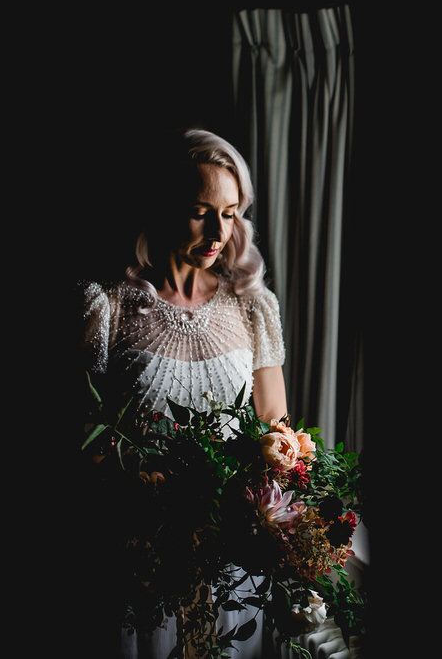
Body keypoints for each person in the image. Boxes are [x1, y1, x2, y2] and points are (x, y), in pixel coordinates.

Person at [77, 128, 288, 658]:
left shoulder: (253, 307)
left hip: (232, 561)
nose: (219, 230)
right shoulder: (108, 307)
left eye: (231, 212)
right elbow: (81, 436)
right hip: (137, 558)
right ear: (162, 206)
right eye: (200, 211)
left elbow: (276, 430)